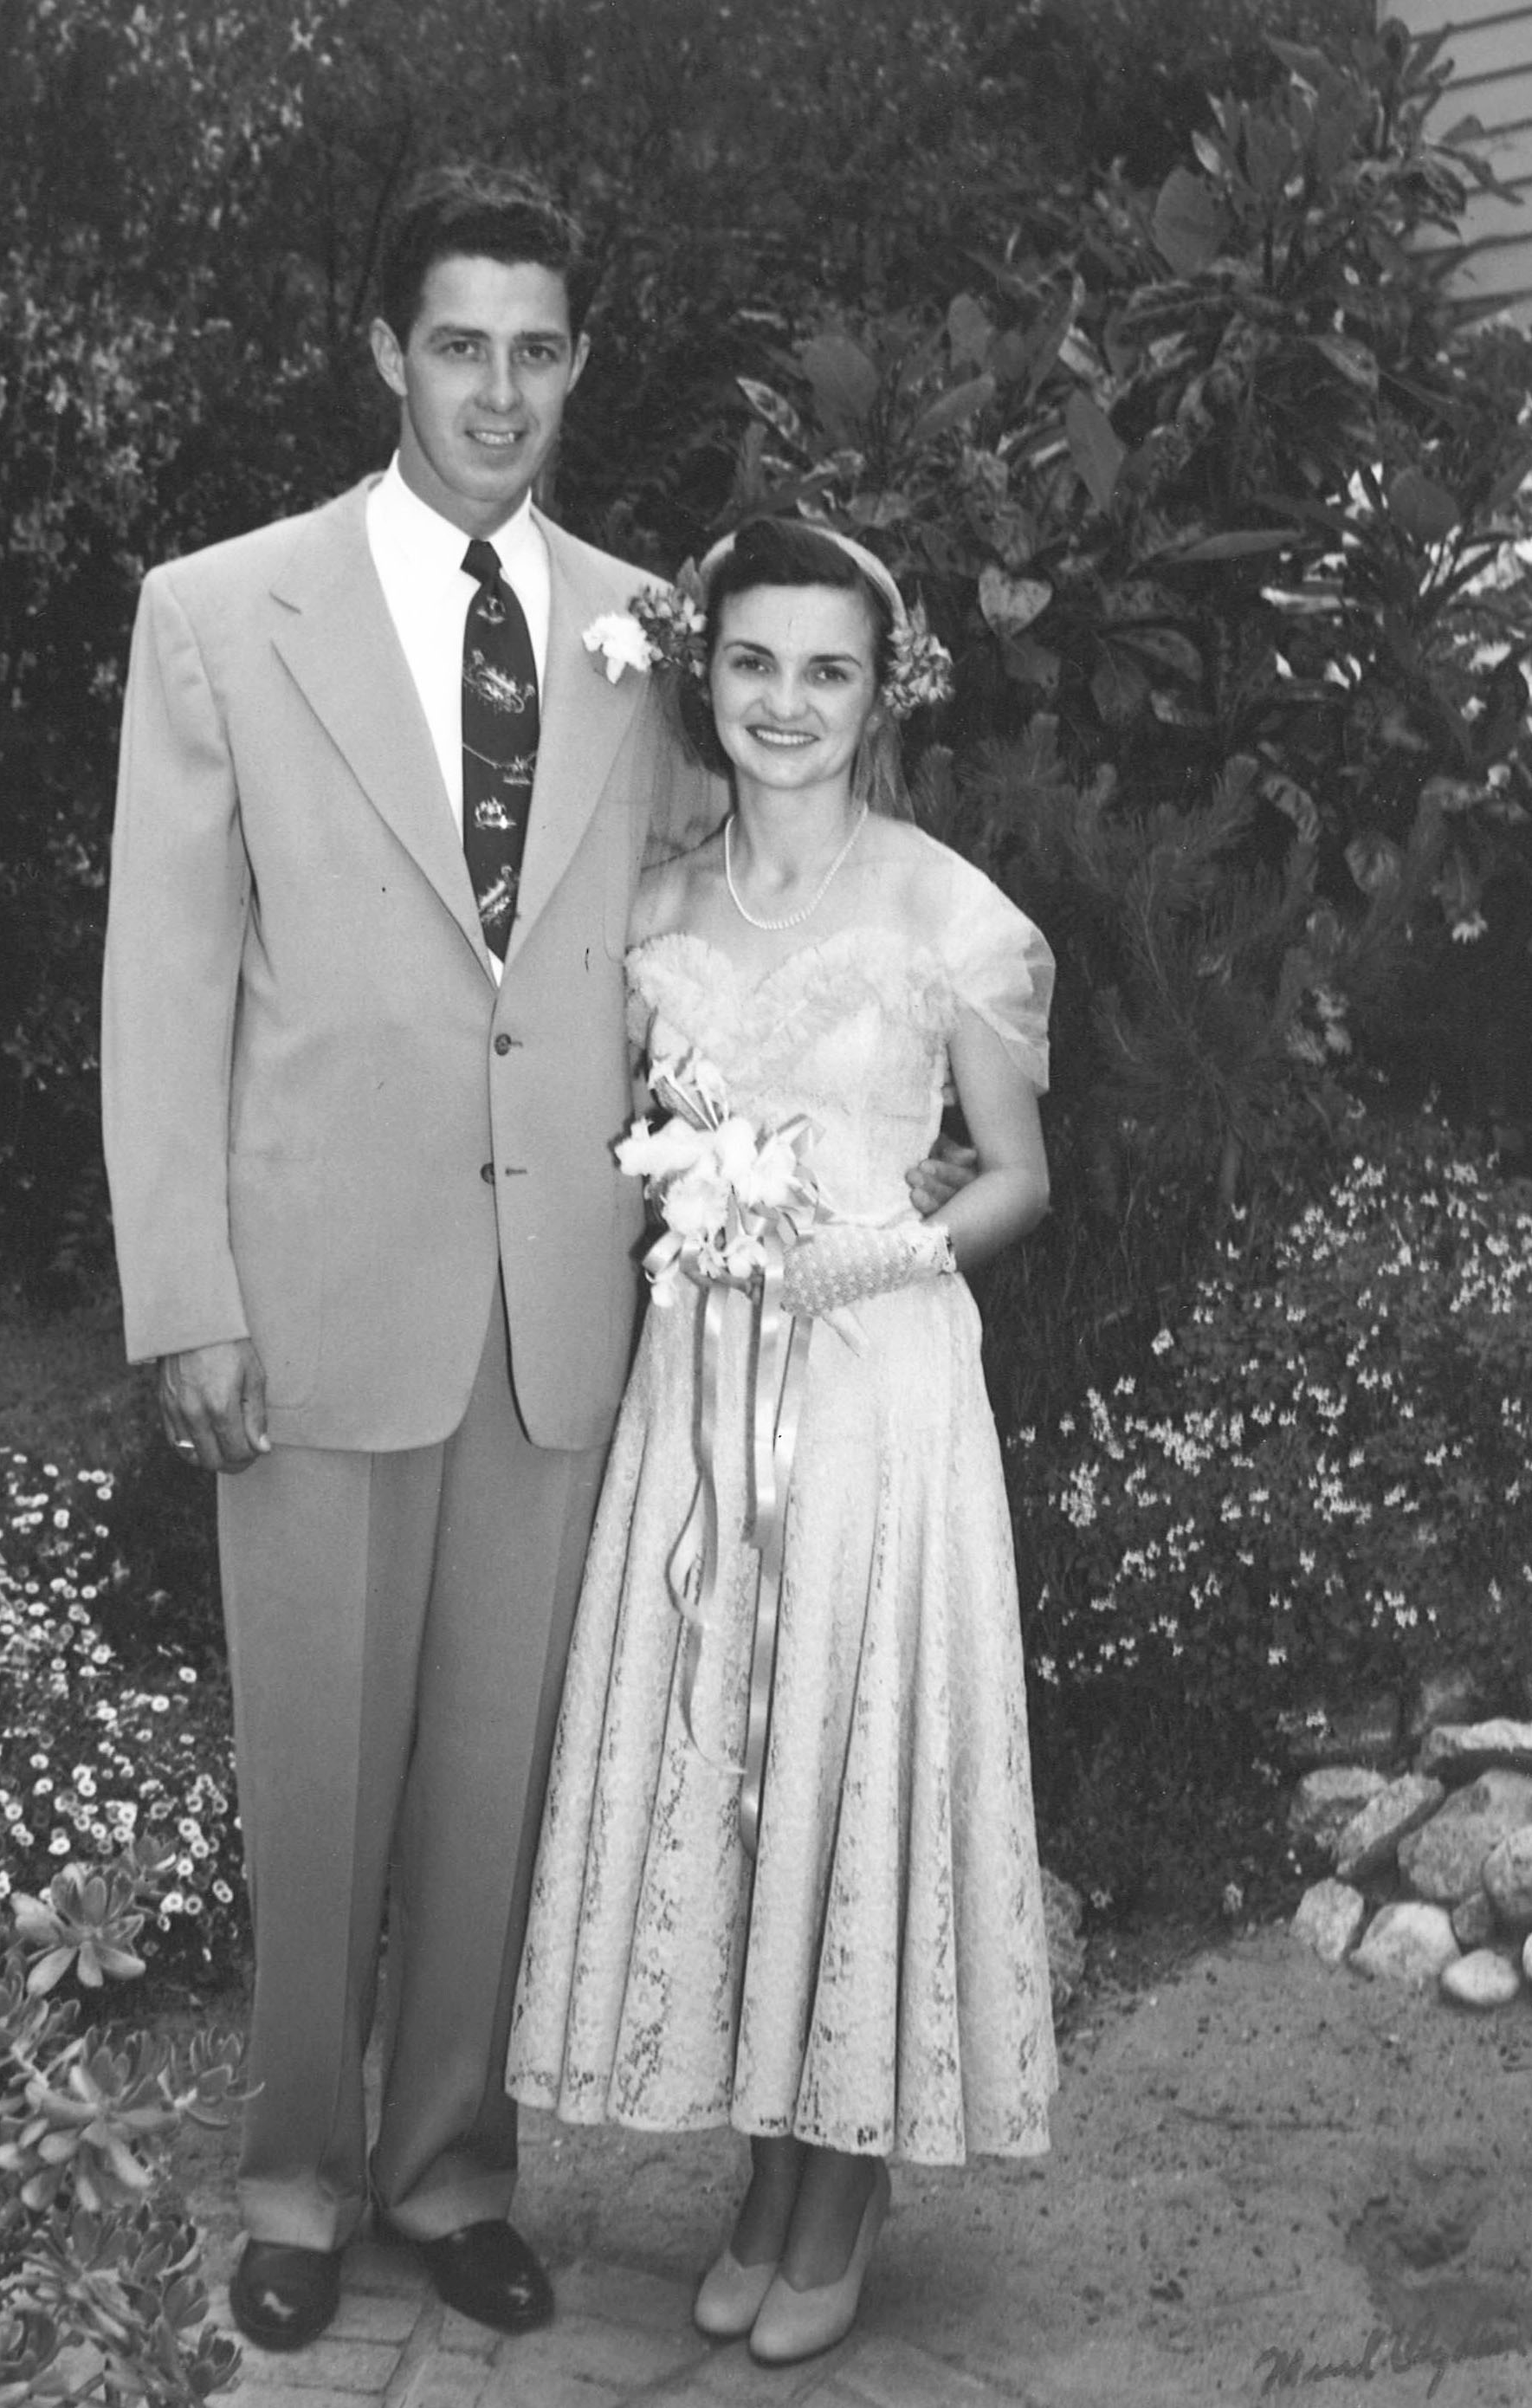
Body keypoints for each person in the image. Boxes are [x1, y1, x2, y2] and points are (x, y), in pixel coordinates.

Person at [100, 165, 728, 2352]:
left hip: (552, 1302)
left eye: (534, 348)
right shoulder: (220, 613)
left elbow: (715, 924)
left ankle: (455, 2166)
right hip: (306, 1289)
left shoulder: (653, 631)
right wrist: (182, 1291)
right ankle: (291, 2174)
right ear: (384, 352)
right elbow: (162, 981)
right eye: (454, 343)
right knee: (313, 1771)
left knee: (490, 1777)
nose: (495, 389)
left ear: (575, 363)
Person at [507, 516, 1058, 2366]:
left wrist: (865, 1253)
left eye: (826, 670)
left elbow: (1015, 1176)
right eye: (752, 664)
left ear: (879, 690)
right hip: (702, 1404)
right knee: (742, 1761)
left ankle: (841, 2191)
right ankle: (764, 2180)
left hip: (874, 1386)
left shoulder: (945, 910)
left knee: (852, 1748)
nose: (784, 704)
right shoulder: (651, 902)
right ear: (704, 674)